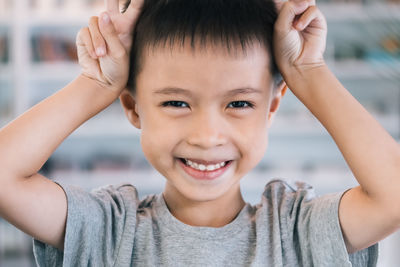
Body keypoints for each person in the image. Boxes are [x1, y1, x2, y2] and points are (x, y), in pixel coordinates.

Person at [0, 0, 399, 265]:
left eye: (239, 104)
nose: (208, 136)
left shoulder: (297, 231)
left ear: (271, 106)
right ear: (132, 106)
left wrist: (309, 74)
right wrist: (96, 84)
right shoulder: (107, 230)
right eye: (176, 103)